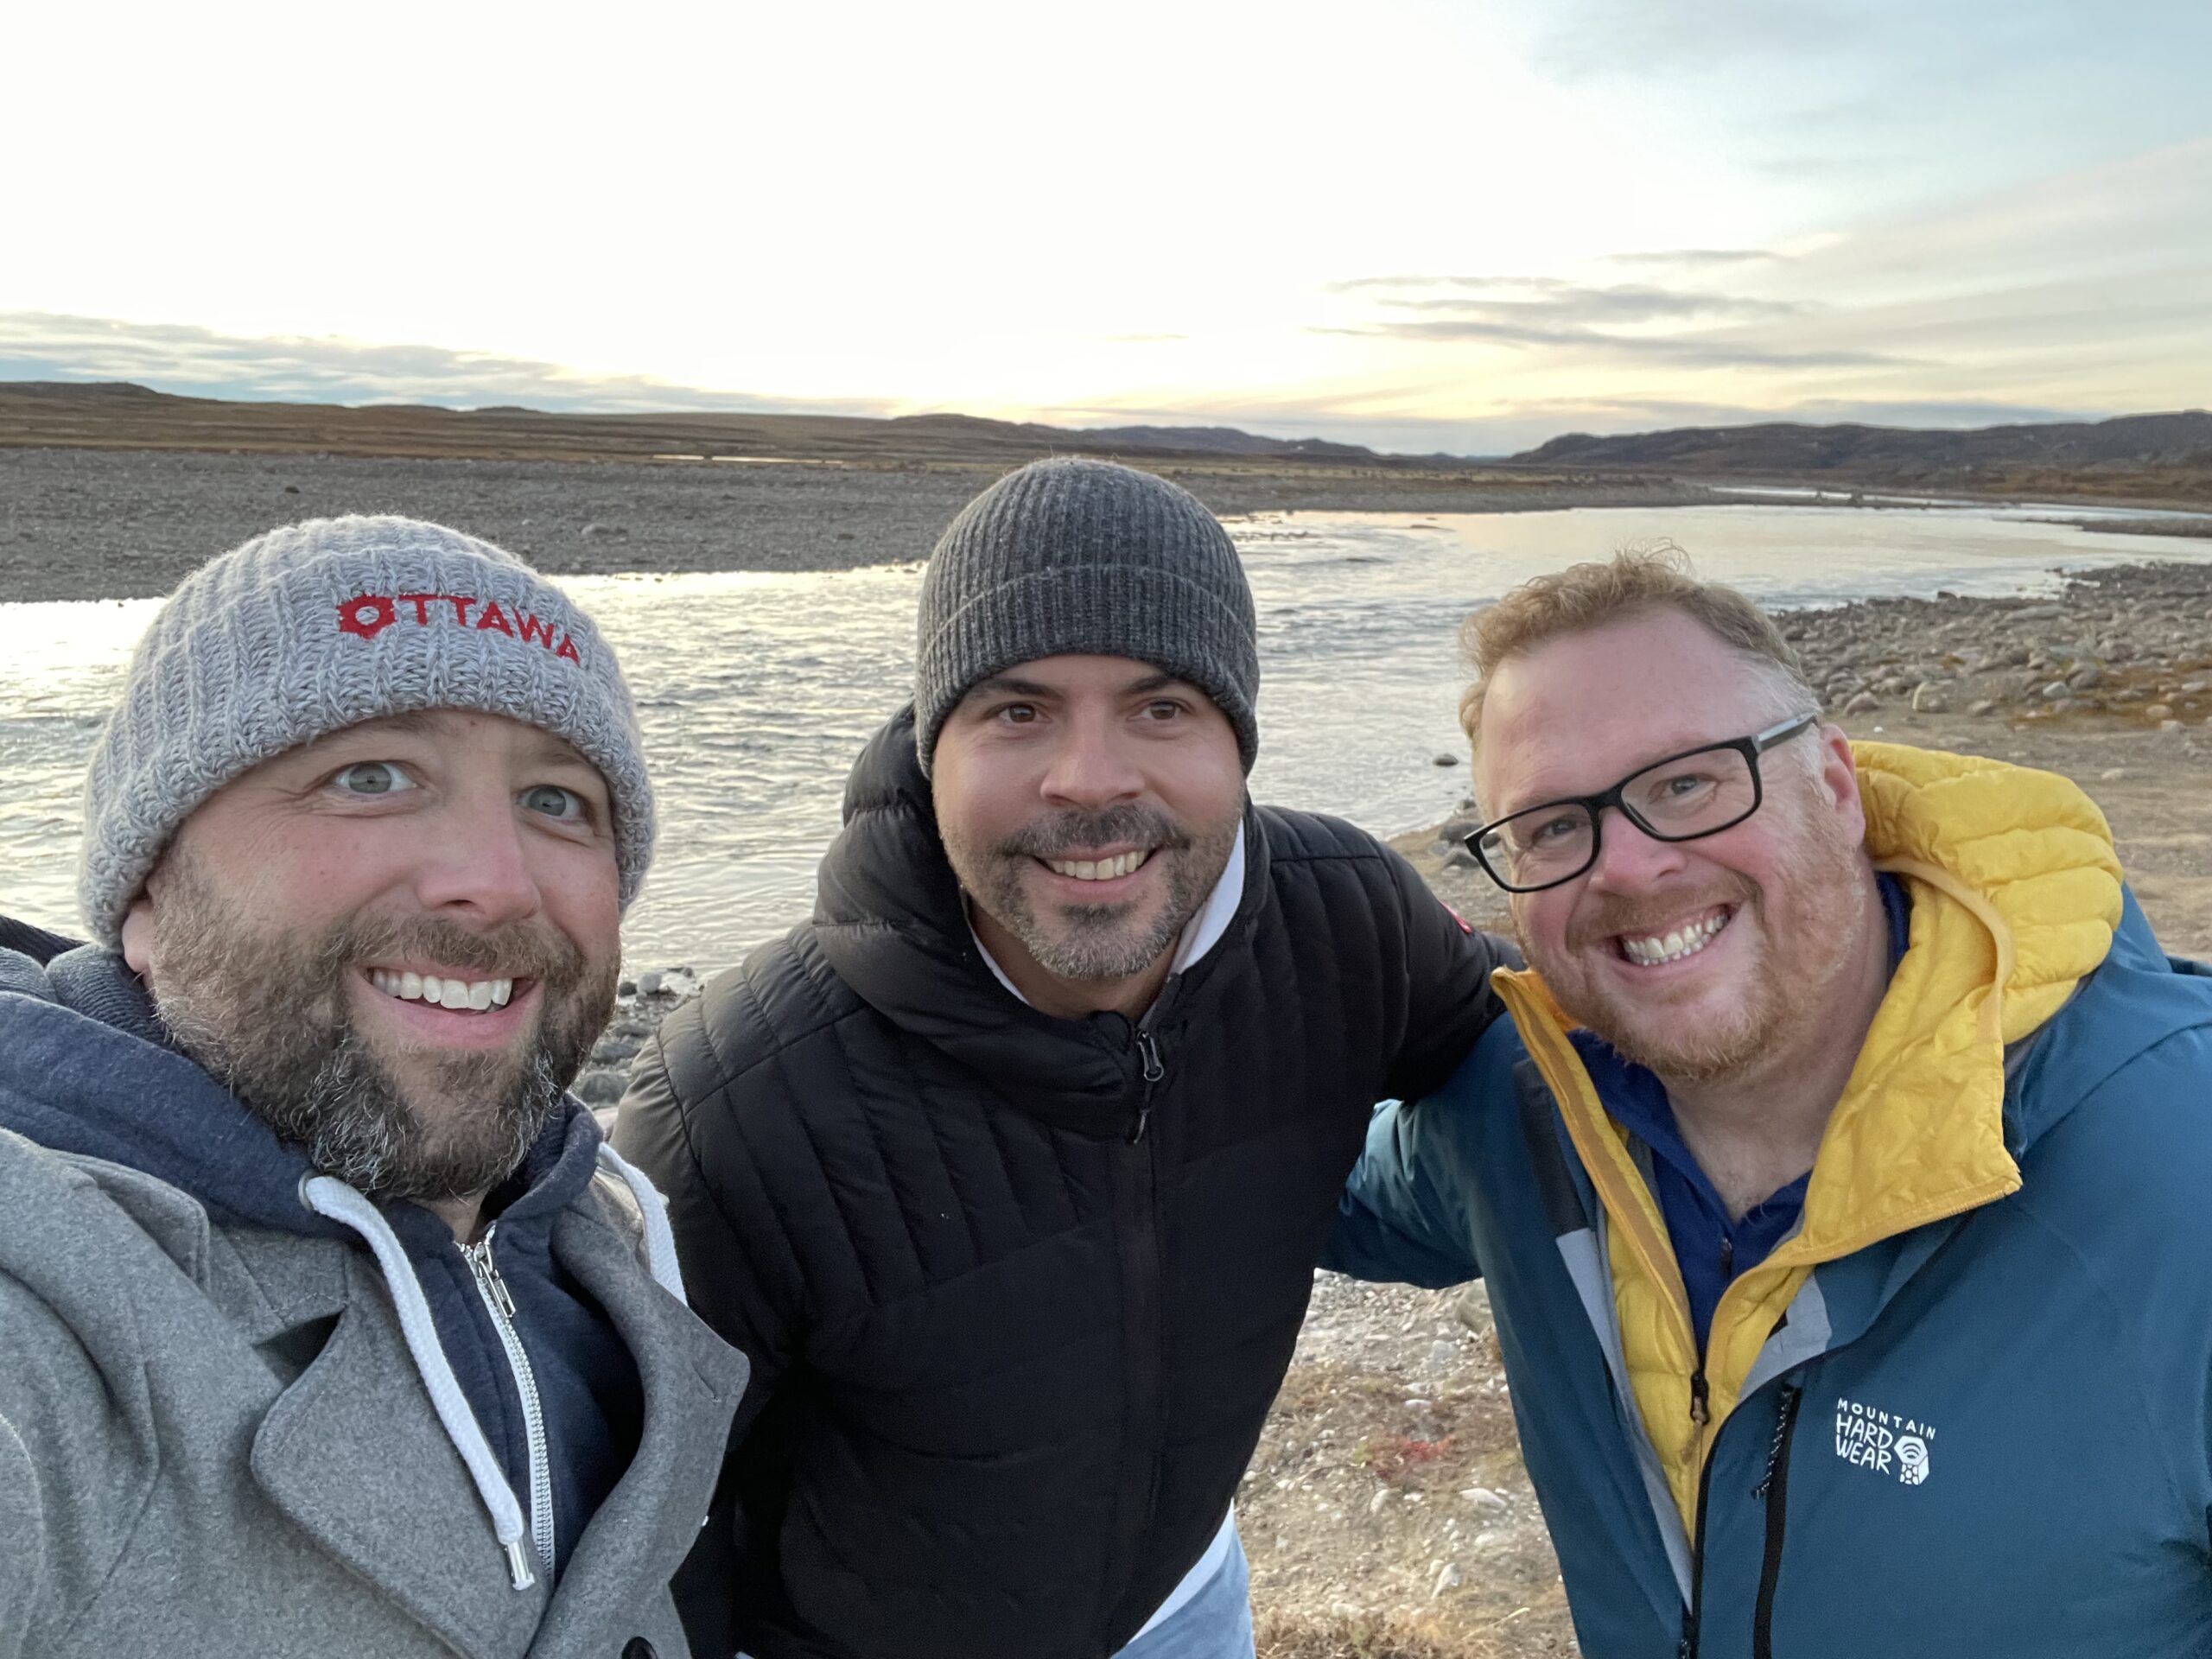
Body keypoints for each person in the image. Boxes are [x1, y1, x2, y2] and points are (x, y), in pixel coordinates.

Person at [613, 458, 1511, 1659]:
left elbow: (1546, 1046)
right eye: (1018, 710)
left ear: (1238, 741)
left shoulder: (1345, 920)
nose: (1090, 779)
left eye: (1161, 708)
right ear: (935, 746)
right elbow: (637, 1544)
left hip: (1189, 1606)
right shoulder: (733, 1105)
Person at [1328, 550, 2212, 1657]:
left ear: (1834, 789)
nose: (1631, 868)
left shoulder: (2180, 1174)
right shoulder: (1518, 1113)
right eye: (1553, 826)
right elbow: (1292, 1191)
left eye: (1686, 781)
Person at [0, 516, 749, 1659]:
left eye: (557, 801)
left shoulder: (597, 1231)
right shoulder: (50, 1312)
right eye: (370, 776)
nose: (495, 887)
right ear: (147, 884)